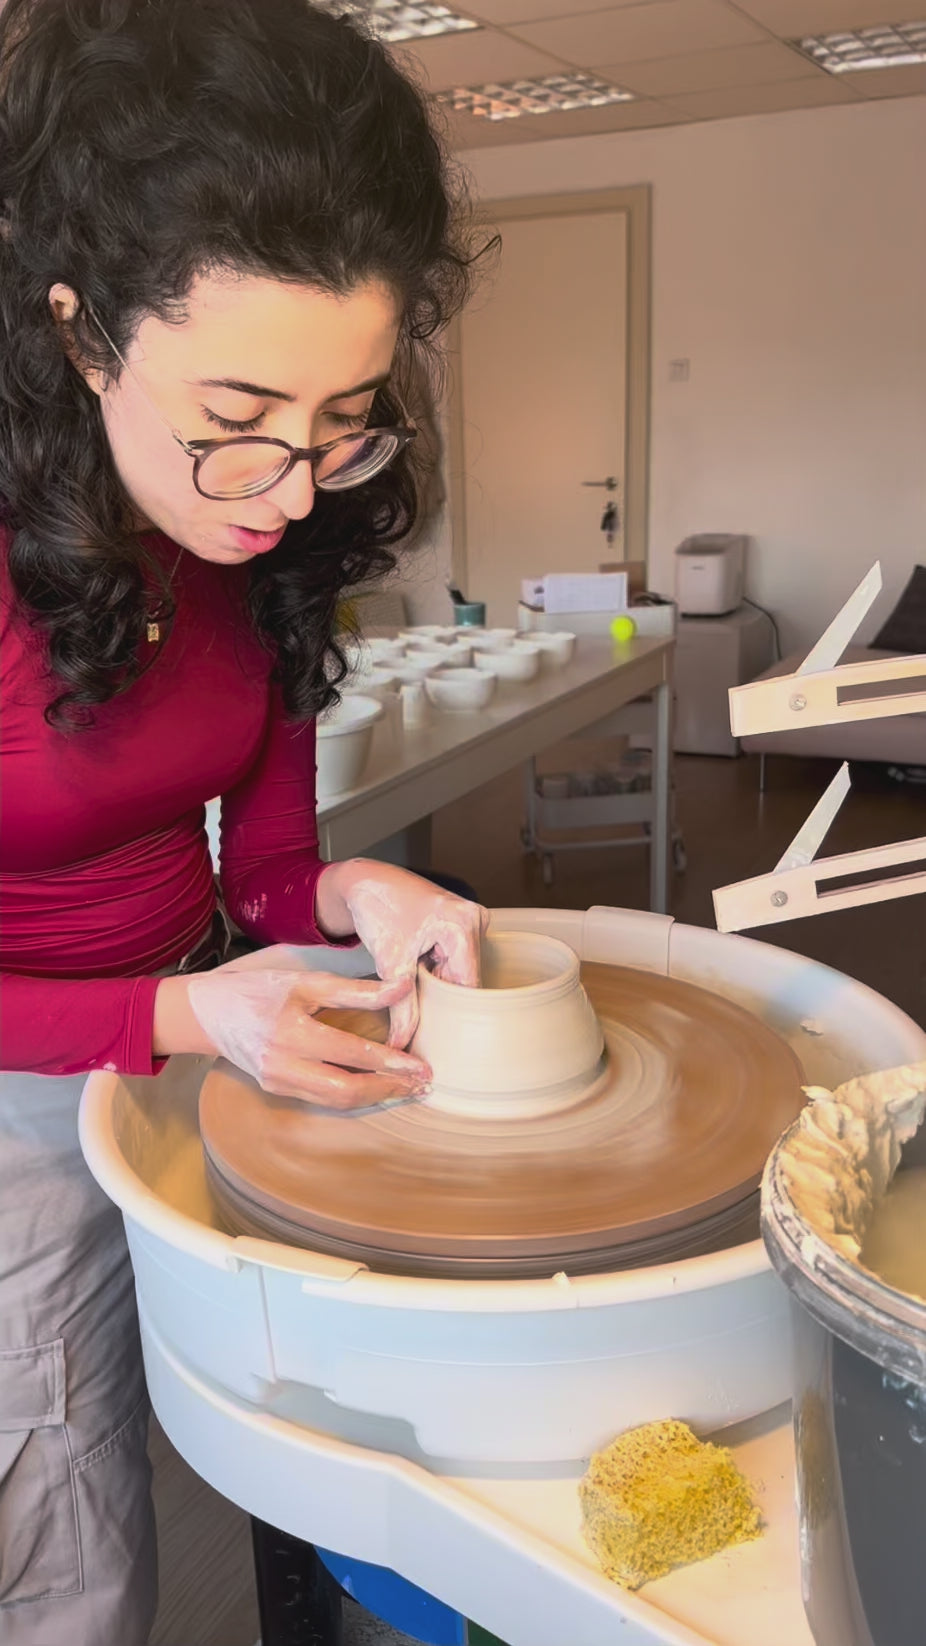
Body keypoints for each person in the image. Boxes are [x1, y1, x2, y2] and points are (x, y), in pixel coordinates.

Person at [0, 1, 488, 1639]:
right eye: (234, 423)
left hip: (182, 1039)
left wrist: (345, 893)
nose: (288, 488)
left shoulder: (259, 535)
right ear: (80, 334)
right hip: (19, 1101)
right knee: (74, 1537)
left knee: (291, 1428)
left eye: (341, 415)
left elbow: (265, 859)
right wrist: (183, 1009)